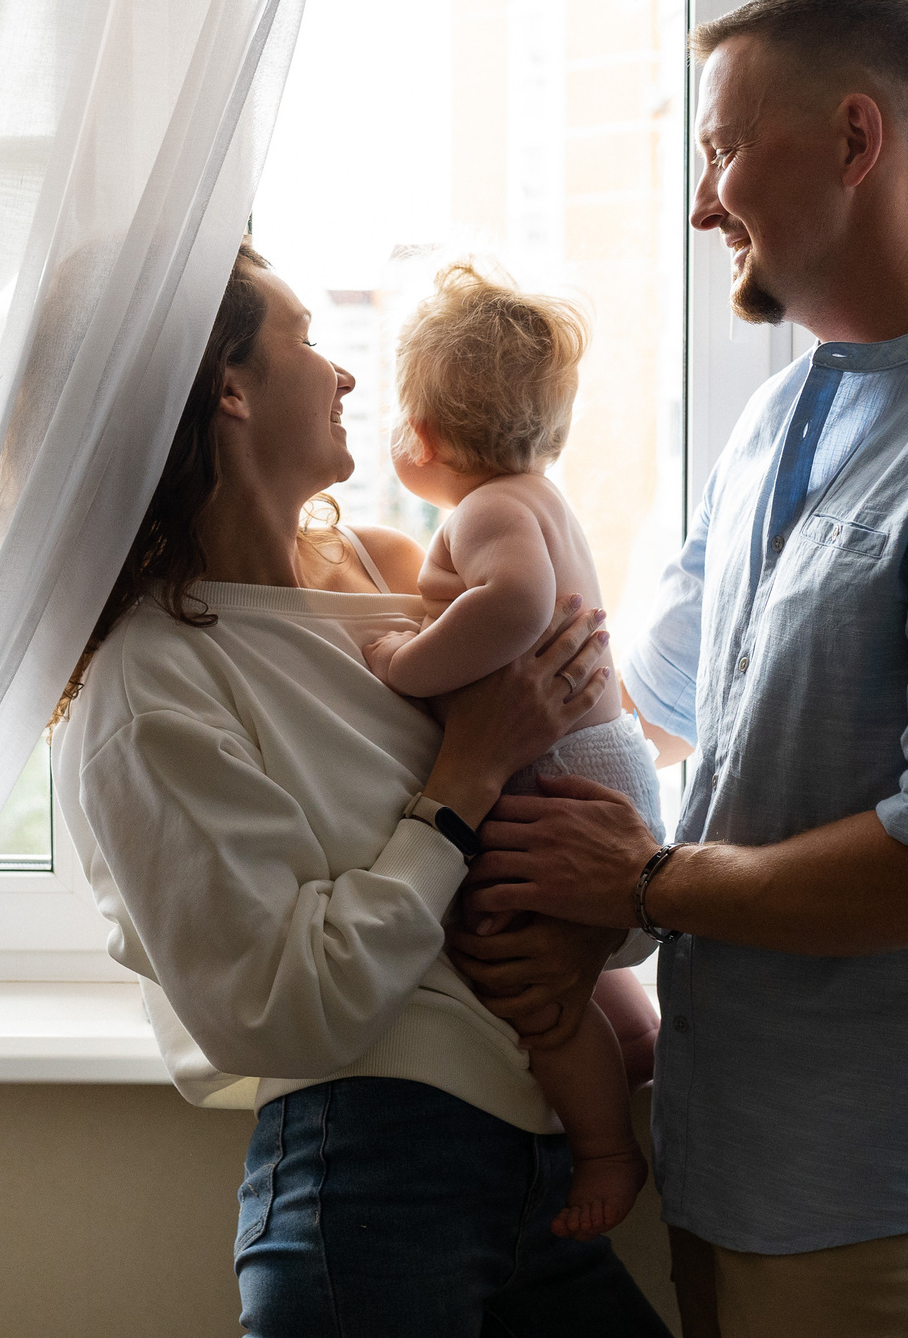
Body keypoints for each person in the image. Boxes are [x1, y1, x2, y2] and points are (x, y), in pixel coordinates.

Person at [449, 0, 908, 1338]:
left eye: (722, 148)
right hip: (723, 1155)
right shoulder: (775, 425)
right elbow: (644, 703)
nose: (703, 199)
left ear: (855, 138)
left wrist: (645, 879)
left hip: (870, 1186)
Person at [50, 244, 673, 1338]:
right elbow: (287, 1008)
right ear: (228, 389)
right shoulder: (150, 688)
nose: (342, 376)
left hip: (541, 1158)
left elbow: (583, 854)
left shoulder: (400, 577)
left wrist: (589, 928)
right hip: (378, 1174)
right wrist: (462, 776)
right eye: (304, 338)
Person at [360, 258, 666, 1242]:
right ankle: (634, 1033)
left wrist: (409, 661)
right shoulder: (538, 496)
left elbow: (520, 605)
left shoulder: (487, 508)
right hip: (602, 765)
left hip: (567, 784)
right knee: (564, 955)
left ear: (426, 434)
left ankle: (608, 1148)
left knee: (517, 976)